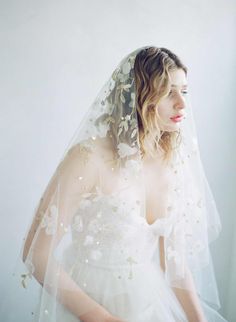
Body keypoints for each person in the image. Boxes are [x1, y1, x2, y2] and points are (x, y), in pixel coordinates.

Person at [1, 46, 228, 322]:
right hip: (90, 302)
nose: (182, 103)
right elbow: (37, 255)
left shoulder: (171, 162)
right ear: (140, 95)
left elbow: (175, 264)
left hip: (148, 303)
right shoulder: (87, 159)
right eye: (169, 92)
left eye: (184, 91)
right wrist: (105, 319)